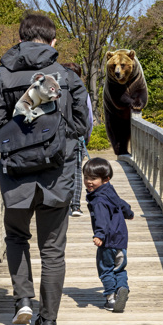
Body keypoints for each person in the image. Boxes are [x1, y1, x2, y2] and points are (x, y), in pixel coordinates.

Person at [0, 14, 90, 325]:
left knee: (17, 238)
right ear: (53, 42)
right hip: (57, 175)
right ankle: (49, 322)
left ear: (21, 39)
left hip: (15, 172)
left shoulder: (2, 74)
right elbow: (83, 126)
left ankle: (22, 302)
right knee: (53, 249)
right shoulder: (68, 77)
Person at [83, 157, 134, 313]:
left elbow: (102, 219)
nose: (88, 182)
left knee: (106, 269)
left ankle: (111, 299)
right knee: (120, 268)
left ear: (105, 179)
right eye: (86, 178)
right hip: (121, 240)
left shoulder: (98, 200)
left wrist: (99, 235)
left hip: (107, 241)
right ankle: (122, 288)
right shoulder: (109, 190)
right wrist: (128, 212)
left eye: (93, 179)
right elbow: (120, 202)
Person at [61, 62, 93, 217]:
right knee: (76, 170)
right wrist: (86, 137)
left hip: (59, 136)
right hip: (77, 136)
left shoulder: (55, 88)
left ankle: (63, 205)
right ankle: (75, 206)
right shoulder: (82, 91)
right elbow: (89, 118)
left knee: (61, 170)